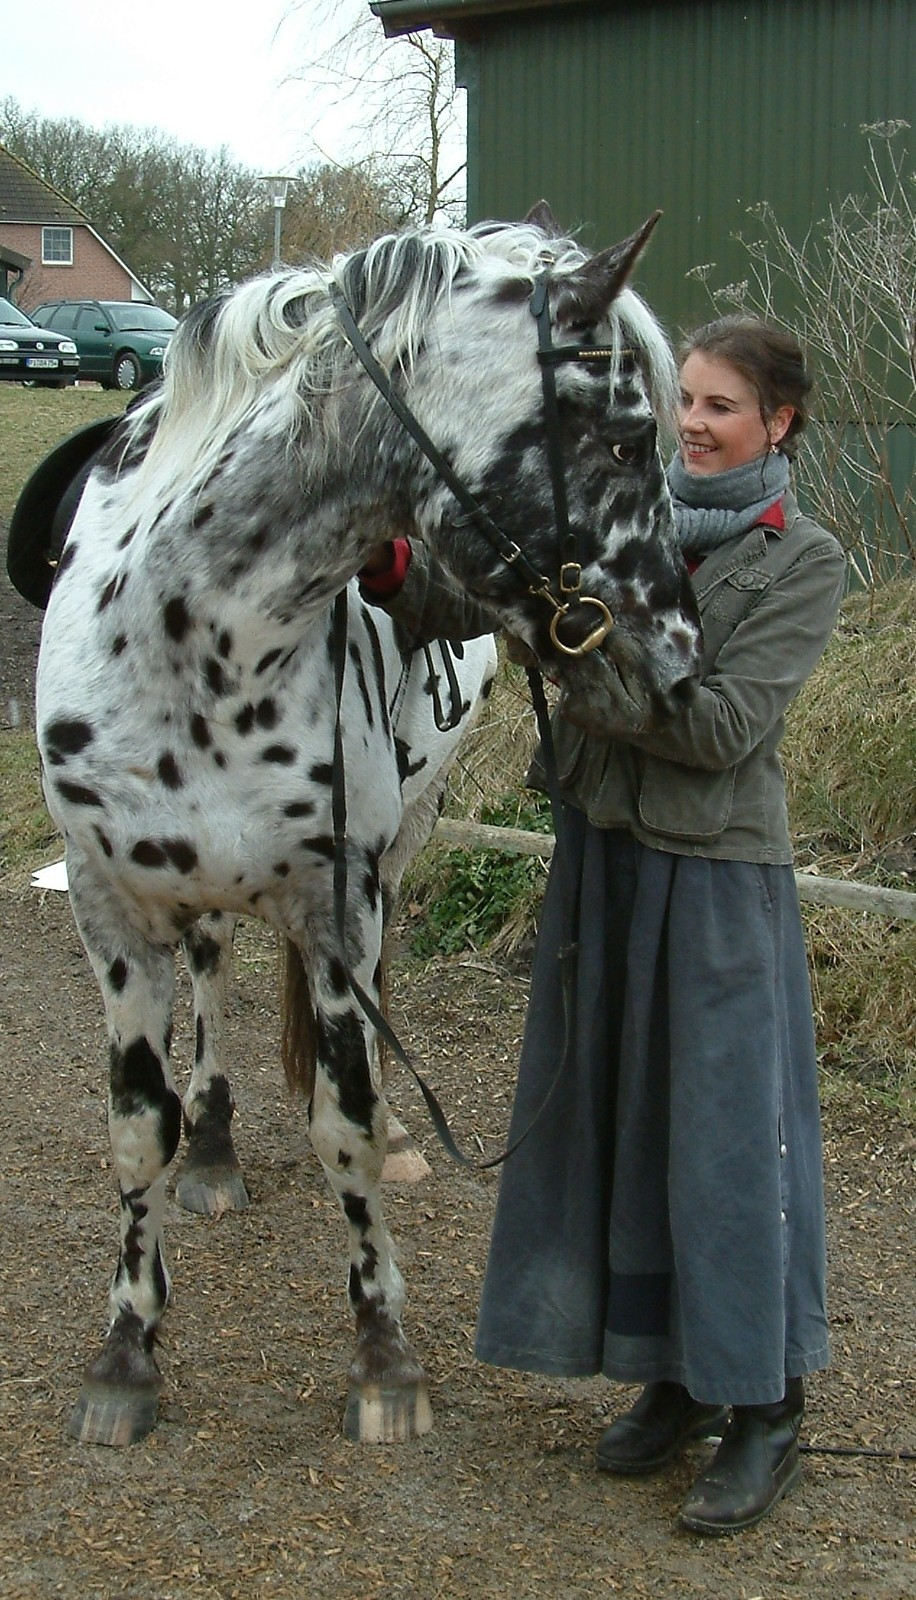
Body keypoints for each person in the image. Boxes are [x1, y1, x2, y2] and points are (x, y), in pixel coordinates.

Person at [359, 315, 846, 1537]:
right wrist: (391, 570)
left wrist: (584, 659)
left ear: (776, 423)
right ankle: (672, 1379)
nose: (691, 421)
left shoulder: (802, 561)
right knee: (622, 1127)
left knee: (727, 1149)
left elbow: (724, 728)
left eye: (721, 406)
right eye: (684, 397)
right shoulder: (613, 517)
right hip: (601, 861)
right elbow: (481, 594)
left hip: (715, 880)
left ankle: (767, 1407)